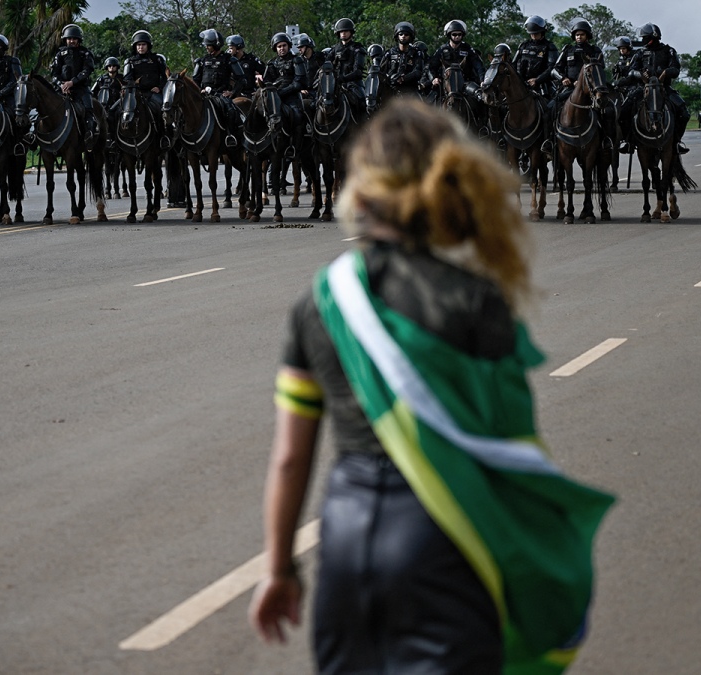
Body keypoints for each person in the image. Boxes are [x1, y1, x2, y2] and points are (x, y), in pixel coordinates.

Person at [249, 97, 615, 674]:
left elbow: (290, 459)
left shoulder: (320, 301)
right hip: (444, 535)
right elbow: (510, 451)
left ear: (362, 190)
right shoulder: (476, 300)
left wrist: (278, 569)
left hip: (345, 535)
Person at [552, 18, 614, 149]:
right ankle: (550, 141)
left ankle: (606, 140)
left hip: (591, 91)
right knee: (550, 108)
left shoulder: (595, 51)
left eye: (582, 34)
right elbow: (555, 69)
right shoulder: (568, 50)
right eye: (577, 35)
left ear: (587, 36)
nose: (579, 37)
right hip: (569, 89)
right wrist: (563, 78)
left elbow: (599, 68)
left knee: (607, 111)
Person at [629, 23, 689, 154]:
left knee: (684, 113)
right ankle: (629, 141)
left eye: (645, 37)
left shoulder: (669, 51)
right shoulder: (640, 52)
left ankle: (676, 141)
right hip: (643, 88)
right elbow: (631, 71)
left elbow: (676, 69)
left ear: (654, 37)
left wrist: (666, 72)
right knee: (624, 110)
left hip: (663, 88)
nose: (643, 40)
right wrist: (640, 74)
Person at [192, 28, 245, 145]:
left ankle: (231, 135)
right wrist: (199, 89)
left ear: (215, 45)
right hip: (204, 95)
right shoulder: (202, 61)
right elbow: (195, 79)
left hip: (221, 95)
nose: (206, 47)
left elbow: (241, 79)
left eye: (208, 45)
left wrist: (232, 93)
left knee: (231, 110)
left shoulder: (229, 60)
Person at [50, 24, 97, 147]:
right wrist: (62, 85)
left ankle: (89, 135)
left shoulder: (85, 53)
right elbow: (54, 74)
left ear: (79, 39)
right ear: (65, 39)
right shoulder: (59, 54)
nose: (71, 41)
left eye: (74, 39)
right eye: (69, 38)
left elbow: (87, 71)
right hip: (62, 89)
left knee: (88, 110)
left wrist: (72, 82)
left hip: (81, 89)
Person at [257, 32, 308, 140]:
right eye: (279, 46)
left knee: (298, 115)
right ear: (275, 48)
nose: (282, 48)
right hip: (274, 97)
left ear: (289, 46)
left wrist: (282, 92)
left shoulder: (297, 60)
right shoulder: (271, 63)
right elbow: (267, 81)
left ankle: (296, 145)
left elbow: (299, 82)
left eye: (284, 45)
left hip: (292, 96)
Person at [429, 20, 485, 101]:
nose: (457, 36)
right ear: (449, 35)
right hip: (445, 82)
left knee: (480, 97)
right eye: (454, 34)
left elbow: (478, 65)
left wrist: (482, 80)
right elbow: (431, 66)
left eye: (459, 34)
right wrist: (434, 78)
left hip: (465, 82)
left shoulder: (468, 49)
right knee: (429, 101)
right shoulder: (442, 49)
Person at [123, 30, 169, 120]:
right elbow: (127, 80)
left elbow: (165, 77)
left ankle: (167, 131)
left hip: (154, 93)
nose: (141, 47)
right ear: (135, 46)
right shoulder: (130, 61)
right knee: (116, 110)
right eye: (138, 45)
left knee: (165, 109)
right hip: (136, 94)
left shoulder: (157, 59)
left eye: (143, 44)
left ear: (148, 45)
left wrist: (159, 87)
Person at [512, 15, 558, 102]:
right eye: (531, 33)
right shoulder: (523, 45)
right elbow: (514, 64)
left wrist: (537, 80)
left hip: (542, 85)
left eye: (536, 33)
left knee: (552, 105)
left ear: (542, 33)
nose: (533, 36)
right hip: (522, 83)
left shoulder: (549, 47)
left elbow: (552, 67)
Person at [328, 18, 366, 117]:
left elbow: (358, 72)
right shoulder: (335, 49)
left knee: (362, 102)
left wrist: (343, 78)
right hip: (336, 84)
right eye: (341, 31)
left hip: (353, 84)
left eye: (346, 31)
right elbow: (326, 64)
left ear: (351, 32)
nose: (343, 33)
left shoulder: (357, 48)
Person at [382, 22, 428, 98]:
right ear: (397, 36)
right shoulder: (389, 53)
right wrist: (393, 77)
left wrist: (404, 78)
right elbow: (382, 71)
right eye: (401, 34)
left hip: (411, 91)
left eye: (406, 34)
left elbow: (418, 71)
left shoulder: (417, 53)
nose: (403, 36)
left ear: (410, 37)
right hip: (391, 89)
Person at [611, 36, 639, 153]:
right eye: (620, 49)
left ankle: (629, 140)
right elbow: (617, 76)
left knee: (625, 112)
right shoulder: (620, 60)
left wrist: (619, 82)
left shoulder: (635, 58)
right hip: (621, 89)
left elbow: (631, 76)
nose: (622, 51)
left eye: (624, 48)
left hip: (633, 87)